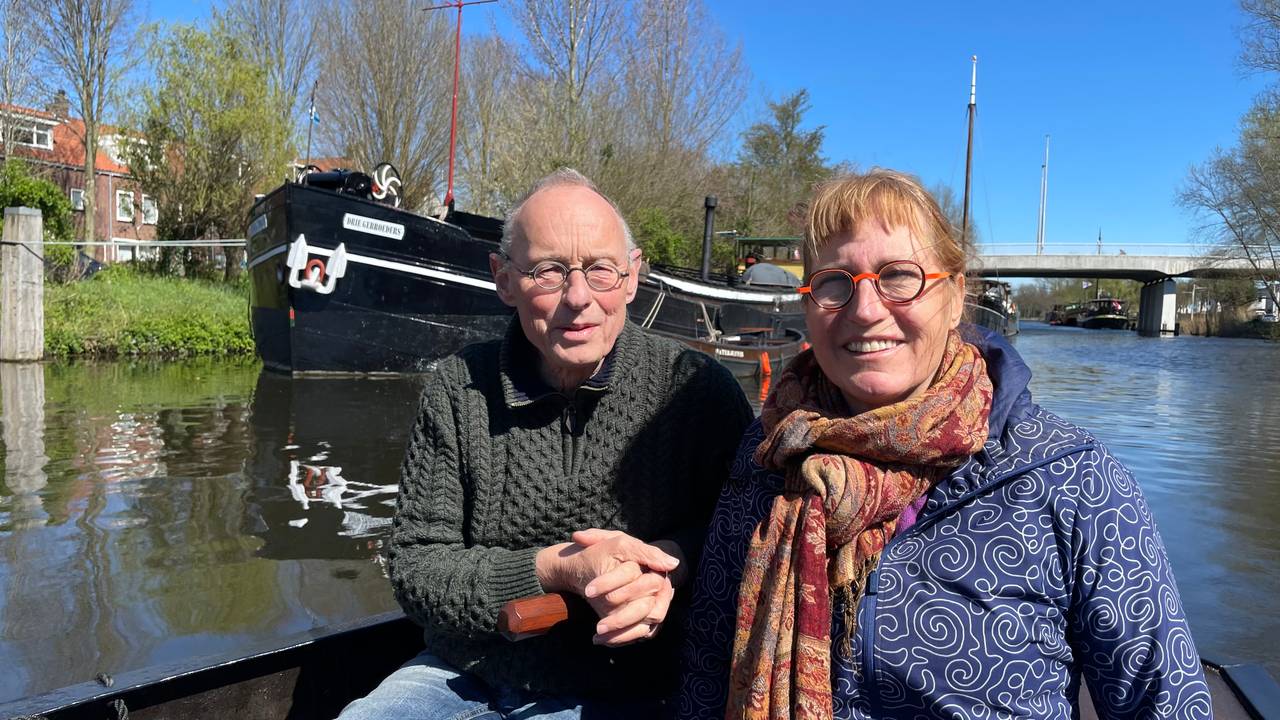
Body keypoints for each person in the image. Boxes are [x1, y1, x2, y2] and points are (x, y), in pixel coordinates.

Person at [678, 169, 1212, 719]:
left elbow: (1164, 702)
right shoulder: (769, 451)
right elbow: (710, 666)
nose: (865, 309)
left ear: (955, 297)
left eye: (898, 276)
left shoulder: (1071, 479)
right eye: (835, 282)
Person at [339, 169, 753, 719]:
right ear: (503, 279)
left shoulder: (697, 391)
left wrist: (667, 564)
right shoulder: (457, 390)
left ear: (632, 276)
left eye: (601, 270)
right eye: (548, 272)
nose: (578, 298)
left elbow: (745, 536)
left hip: (632, 685)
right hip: (467, 672)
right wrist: (552, 568)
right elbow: (416, 569)